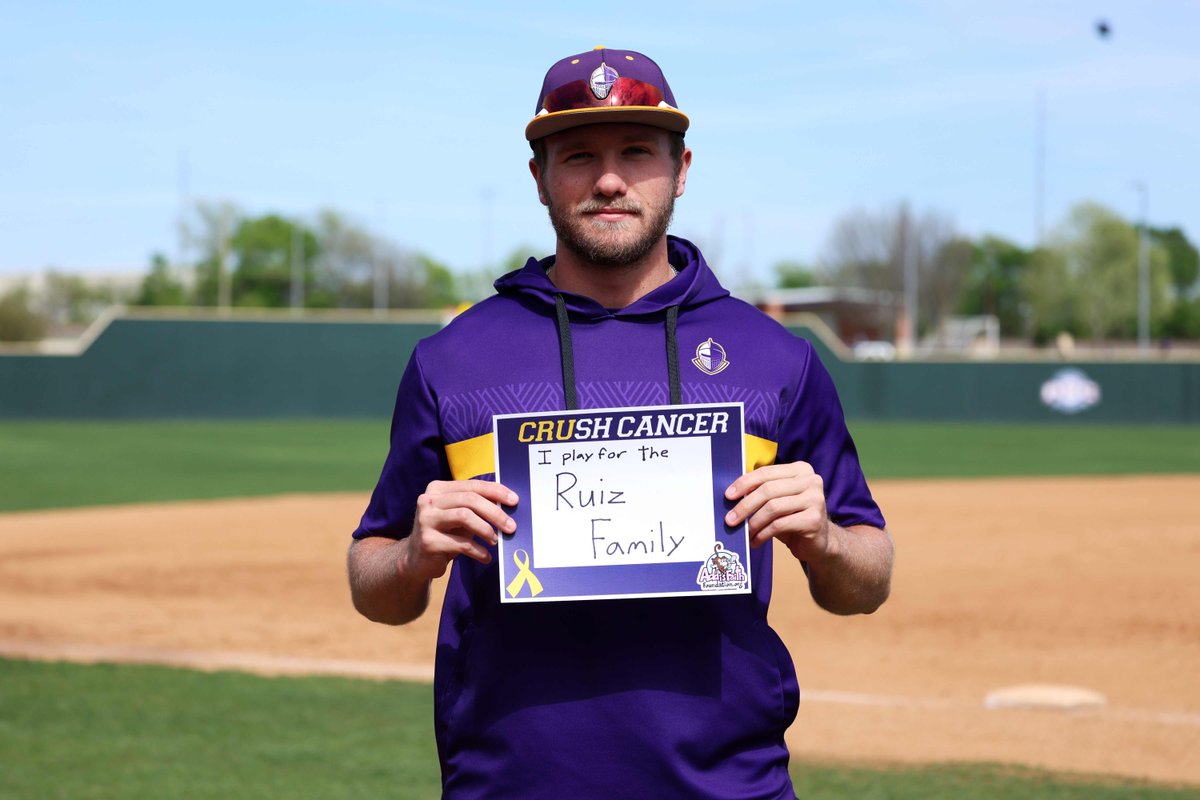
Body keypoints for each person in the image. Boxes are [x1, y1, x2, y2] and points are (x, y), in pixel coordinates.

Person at [347, 46, 894, 800]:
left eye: (636, 151)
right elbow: (373, 582)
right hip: (509, 785)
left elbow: (866, 582)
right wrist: (412, 554)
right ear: (539, 175)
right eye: (579, 155)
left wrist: (826, 539)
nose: (609, 179)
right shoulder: (455, 359)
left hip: (730, 785)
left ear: (681, 168)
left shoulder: (775, 359)